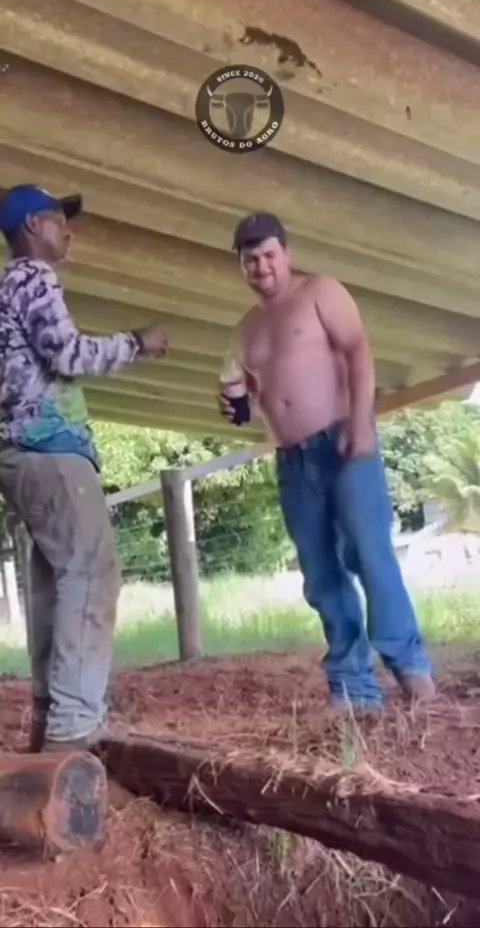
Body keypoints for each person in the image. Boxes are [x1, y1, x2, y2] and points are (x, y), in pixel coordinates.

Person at [218, 212, 435, 709]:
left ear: (286, 254)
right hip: (292, 459)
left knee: (369, 553)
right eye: (250, 260)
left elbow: (358, 352)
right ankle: (353, 685)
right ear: (242, 266)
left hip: (342, 438)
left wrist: (361, 422)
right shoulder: (244, 330)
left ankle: (408, 663)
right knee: (320, 572)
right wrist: (236, 406)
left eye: (269, 255)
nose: (261, 267)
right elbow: (243, 392)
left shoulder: (320, 291)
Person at [0, 183, 169, 752]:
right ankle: (74, 727)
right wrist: (137, 343)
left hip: (19, 452)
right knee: (92, 571)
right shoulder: (33, 277)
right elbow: (68, 354)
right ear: (31, 227)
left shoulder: (3, 290)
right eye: (56, 219)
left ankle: (50, 718)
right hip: (50, 445)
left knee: (56, 582)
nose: (67, 231)